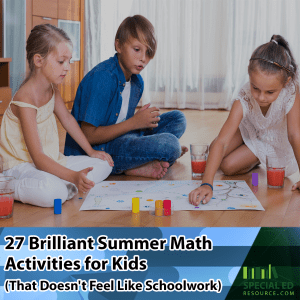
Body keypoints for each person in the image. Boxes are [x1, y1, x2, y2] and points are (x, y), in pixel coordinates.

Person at [0, 24, 114, 207]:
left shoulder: (53, 89)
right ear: (39, 61)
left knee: (104, 164)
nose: (67, 68)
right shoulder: (25, 98)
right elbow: (37, 156)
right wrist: (73, 176)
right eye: (61, 62)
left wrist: (91, 152)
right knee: (55, 193)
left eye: (68, 61)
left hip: (51, 159)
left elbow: (68, 120)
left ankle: (65, 183)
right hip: (22, 165)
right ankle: (7, 185)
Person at [64, 15, 187, 179]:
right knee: (170, 145)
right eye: (137, 50)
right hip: (97, 149)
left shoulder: (137, 82)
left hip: (121, 139)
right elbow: (89, 135)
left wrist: (138, 122)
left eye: (148, 52)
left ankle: (144, 159)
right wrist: (134, 123)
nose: (143, 58)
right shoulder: (103, 78)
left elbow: (123, 125)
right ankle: (134, 164)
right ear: (119, 45)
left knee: (178, 119)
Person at [189, 34, 300, 206]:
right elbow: (222, 141)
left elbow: (294, 135)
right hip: (251, 128)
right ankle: (248, 148)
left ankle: (256, 158)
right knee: (214, 149)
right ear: (249, 75)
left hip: (275, 141)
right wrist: (206, 183)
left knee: (227, 166)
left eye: (270, 92)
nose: (261, 97)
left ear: (286, 82)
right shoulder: (244, 97)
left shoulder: (291, 91)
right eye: (255, 88)